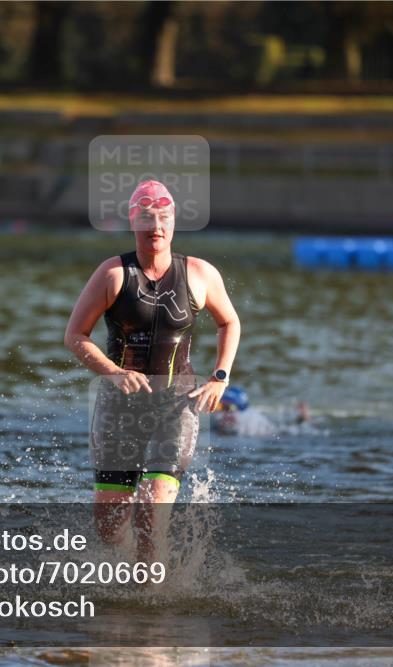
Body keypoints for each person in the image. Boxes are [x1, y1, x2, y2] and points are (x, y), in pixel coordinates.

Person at [64, 180, 240, 561]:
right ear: (134, 223)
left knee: (150, 513)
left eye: (163, 218)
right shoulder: (113, 274)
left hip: (176, 406)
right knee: (109, 526)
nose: (155, 227)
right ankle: (133, 574)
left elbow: (230, 323)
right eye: (146, 218)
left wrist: (219, 377)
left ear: (173, 224)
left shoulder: (199, 273)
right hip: (119, 405)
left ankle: (153, 600)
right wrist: (112, 371)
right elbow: (75, 335)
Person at [211, 386, 310, 436]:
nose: (218, 412)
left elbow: (283, 434)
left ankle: (302, 419)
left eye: (222, 407)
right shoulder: (245, 416)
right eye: (217, 406)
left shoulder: (251, 425)